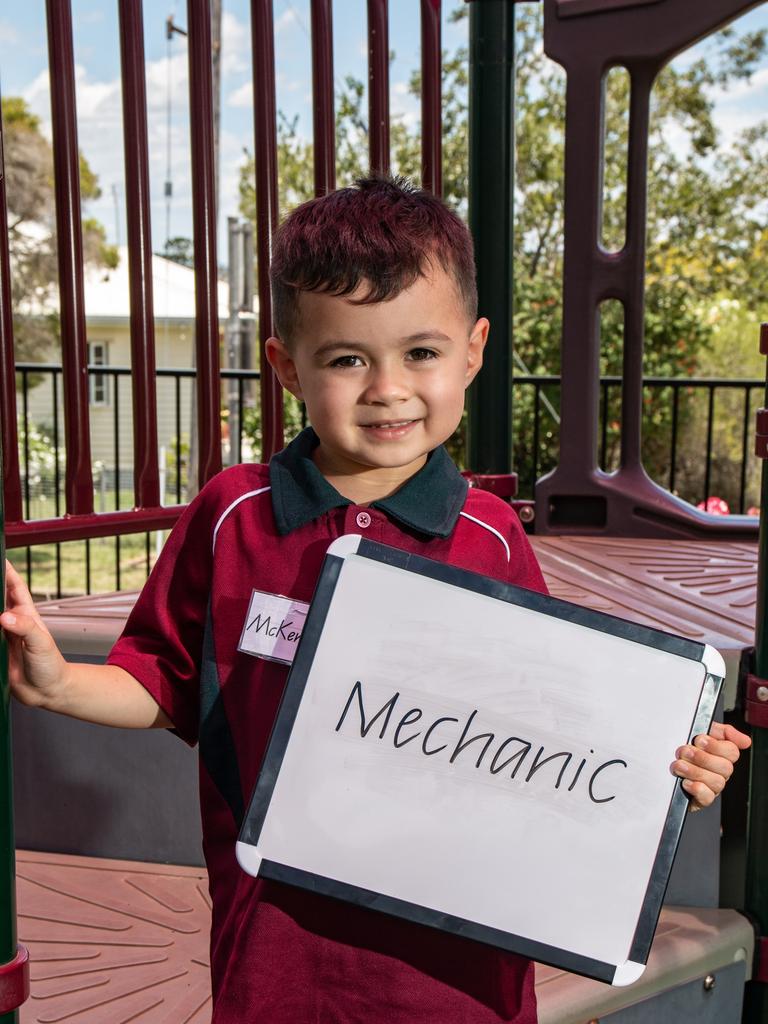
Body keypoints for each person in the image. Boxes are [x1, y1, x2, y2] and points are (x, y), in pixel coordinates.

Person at [2, 176, 751, 1023]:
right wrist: (58, 680)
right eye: (348, 357)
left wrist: (672, 768)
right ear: (288, 366)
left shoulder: (493, 535)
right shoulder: (233, 517)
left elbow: (560, 741)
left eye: (421, 353)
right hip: (277, 966)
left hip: (461, 978)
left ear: (472, 352)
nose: (388, 388)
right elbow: (165, 679)